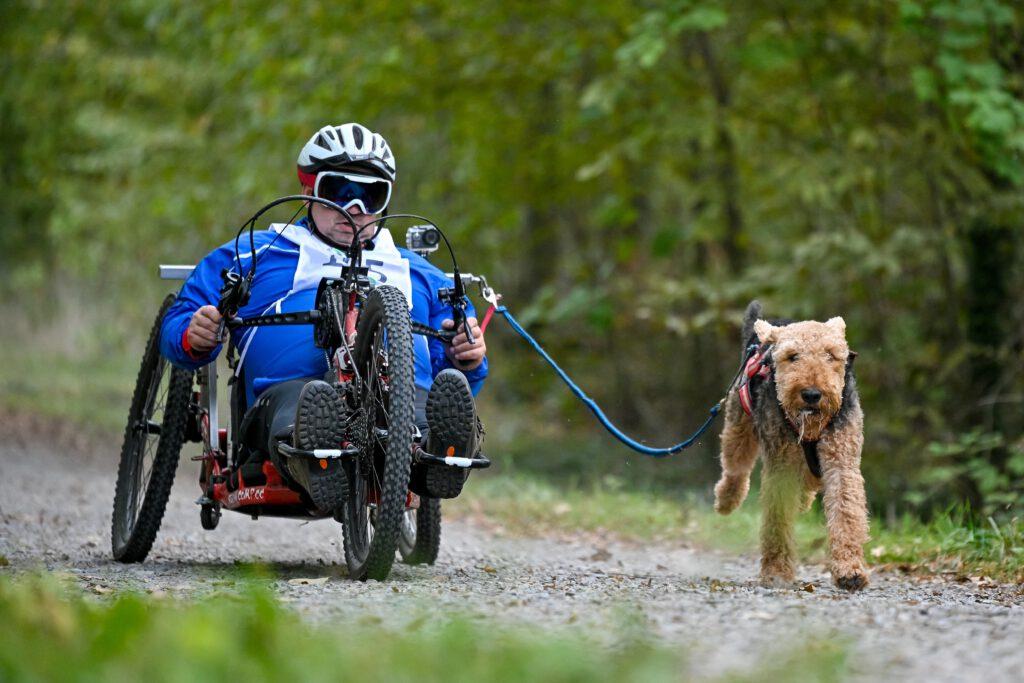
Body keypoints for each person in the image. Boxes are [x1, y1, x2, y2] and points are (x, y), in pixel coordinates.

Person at [159, 122, 487, 511]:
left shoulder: (423, 274)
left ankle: (440, 456)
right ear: (308, 189)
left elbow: (454, 368)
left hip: (397, 401)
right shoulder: (253, 252)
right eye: (339, 191)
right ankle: (318, 461)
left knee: (425, 412)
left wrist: (467, 356)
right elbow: (180, 319)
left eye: (369, 194)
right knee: (307, 407)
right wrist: (193, 334)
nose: (354, 209)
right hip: (286, 394)